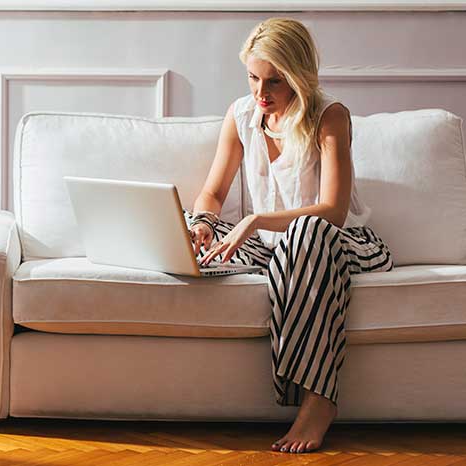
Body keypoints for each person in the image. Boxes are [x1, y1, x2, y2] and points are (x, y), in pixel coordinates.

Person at [187, 18, 393, 454]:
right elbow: (213, 192)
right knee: (194, 238)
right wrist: (204, 224)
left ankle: (319, 400)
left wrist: (256, 219)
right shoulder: (242, 115)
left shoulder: (328, 116)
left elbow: (333, 211)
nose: (261, 93)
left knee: (306, 232)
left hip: (342, 244)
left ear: (298, 76)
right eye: (254, 78)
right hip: (274, 249)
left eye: (275, 82)